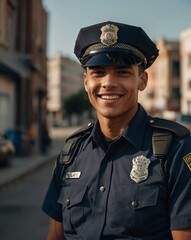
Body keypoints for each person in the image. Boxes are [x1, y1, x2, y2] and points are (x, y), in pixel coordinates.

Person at [42, 21, 191, 240]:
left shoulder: (175, 150)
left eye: (122, 72)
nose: (108, 83)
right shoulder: (71, 153)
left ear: (142, 80)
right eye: (98, 73)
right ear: (86, 82)